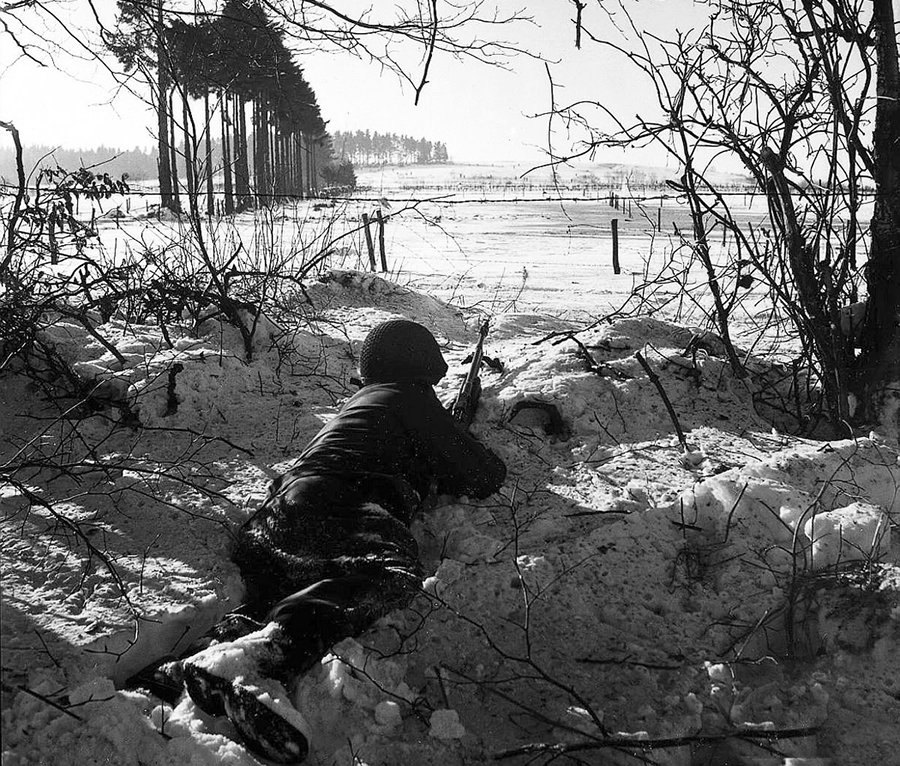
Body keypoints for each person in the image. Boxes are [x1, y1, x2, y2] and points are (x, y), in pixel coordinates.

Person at [163, 318, 506, 763]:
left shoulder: (363, 402)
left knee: (286, 586)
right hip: (338, 502)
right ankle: (260, 662)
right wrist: (454, 437)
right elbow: (485, 475)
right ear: (423, 368)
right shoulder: (410, 397)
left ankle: (193, 661)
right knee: (388, 573)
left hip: (279, 513)